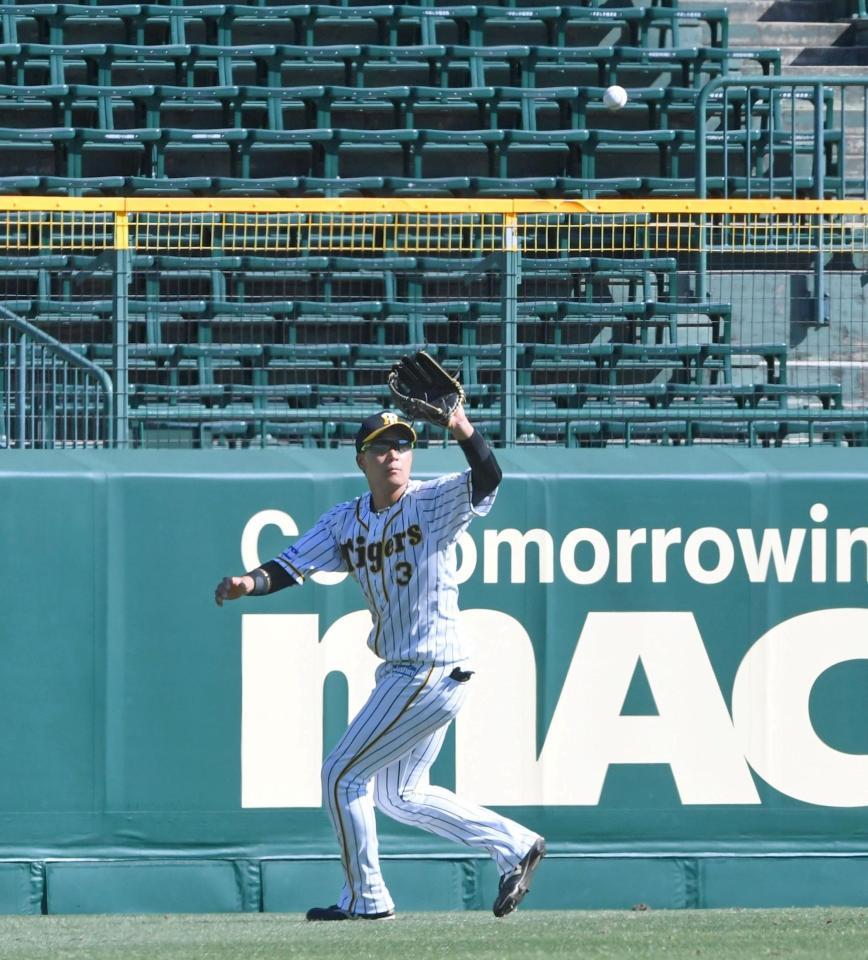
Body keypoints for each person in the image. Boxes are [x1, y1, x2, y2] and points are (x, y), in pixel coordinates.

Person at [215, 407, 545, 920]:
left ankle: (367, 899)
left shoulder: (432, 501)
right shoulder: (346, 520)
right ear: (361, 460)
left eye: (402, 445)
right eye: (381, 446)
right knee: (401, 794)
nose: (393, 454)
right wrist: (248, 584)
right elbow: (291, 564)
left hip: (429, 665)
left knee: (341, 775)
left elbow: (488, 477)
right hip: (410, 671)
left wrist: (460, 426)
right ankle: (514, 846)